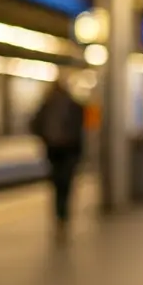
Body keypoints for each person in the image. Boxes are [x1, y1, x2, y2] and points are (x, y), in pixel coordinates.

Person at [30, 77, 86, 234]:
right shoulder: (74, 105)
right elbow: (81, 130)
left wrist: (45, 139)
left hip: (53, 150)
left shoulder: (46, 104)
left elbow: (34, 124)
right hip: (70, 150)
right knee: (66, 182)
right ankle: (63, 213)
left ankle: (59, 213)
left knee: (56, 182)